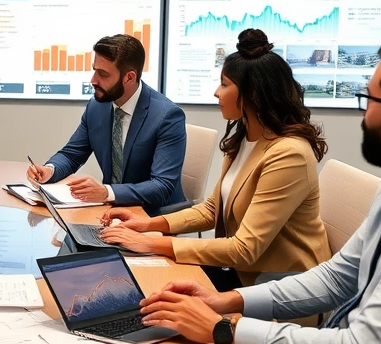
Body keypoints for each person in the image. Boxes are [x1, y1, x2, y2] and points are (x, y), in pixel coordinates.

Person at [136, 34, 381, 344]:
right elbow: (337, 278)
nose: (364, 115)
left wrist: (223, 329)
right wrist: (227, 301)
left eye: (369, 101)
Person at [100, 30, 331, 289]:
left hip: (281, 284)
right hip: (243, 272)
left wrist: (152, 242)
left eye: (224, 84)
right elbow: (212, 209)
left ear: (253, 93)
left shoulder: (289, 154)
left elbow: (244, 250)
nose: (216, 93)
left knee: (151, 288)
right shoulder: (246, 137)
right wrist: (146, 225)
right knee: (135, 277)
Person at [27, 34, 186, 209]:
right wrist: (50, 170)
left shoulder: (167, 116)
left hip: (154, 214)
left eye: (103, 74)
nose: (93, 81)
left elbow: (162, 187)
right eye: (94, 70)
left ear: (129, 77)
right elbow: (71, 155)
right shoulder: (97, 106)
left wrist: (107, 192)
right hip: (111, 211)